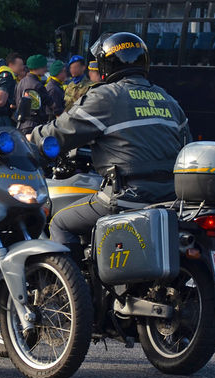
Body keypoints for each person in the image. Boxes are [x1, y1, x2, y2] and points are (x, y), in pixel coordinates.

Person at [29, 32, 192, 260]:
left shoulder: (106, 96)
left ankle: (75, 292)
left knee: (60, 222)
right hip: (170, 197)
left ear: (107, 64)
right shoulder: (167, 99)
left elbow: (60, 132)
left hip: (128, 194)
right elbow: (187, 145)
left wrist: (30, 138)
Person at [15, 54, 54, 134]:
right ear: (38, 67)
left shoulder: (21, 82)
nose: (46, 70)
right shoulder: (37, 85)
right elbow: (52, 104)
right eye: (44, 67)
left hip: (21, 125)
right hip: (34, 127)